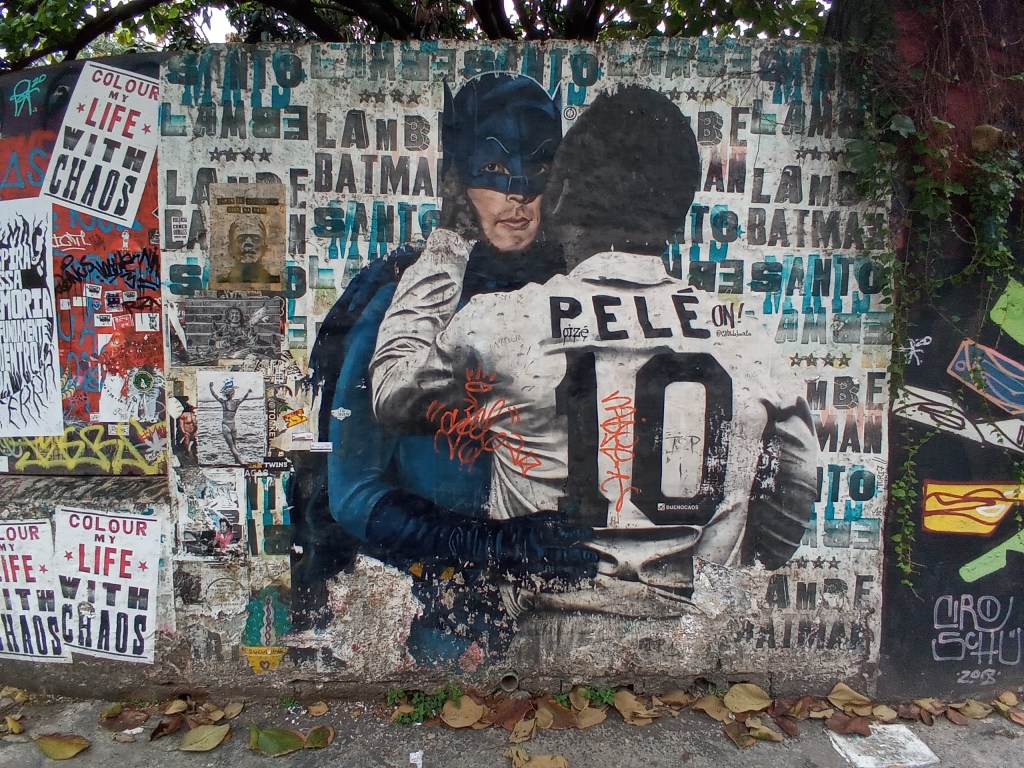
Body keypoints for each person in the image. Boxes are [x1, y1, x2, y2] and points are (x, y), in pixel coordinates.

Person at [369, 86, 818, 619]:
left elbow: (392, 394)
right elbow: (789, 509)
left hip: (544, 638)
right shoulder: (749, 340)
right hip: (692, 640)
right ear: (680, 210)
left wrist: (448, 240)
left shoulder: (501, 323)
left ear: (560, 197)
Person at [291, 73, 597, 660]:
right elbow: (353, 493)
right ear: (457, 180)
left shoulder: (577, 295)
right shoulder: (402, 299)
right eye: (494, 170)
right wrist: (488, 545)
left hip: (564, 619)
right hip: (432, 618)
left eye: (536, 168)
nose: (517, 194)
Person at [215, 216, 281, 286]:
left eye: (256, 239)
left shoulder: (276, 282)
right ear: (230, 248)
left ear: (265, 248)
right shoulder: (219, 283)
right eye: (241, 239)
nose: (248, 245)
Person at [209, 379, 252, 465]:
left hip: (226, 425)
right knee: (234, 445)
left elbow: (214, 395)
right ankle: (236, 461)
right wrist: (248, 392)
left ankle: (240, 462)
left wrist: (210, 387)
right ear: (233, 394)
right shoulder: (236, 402)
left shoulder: (223, 402)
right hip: (233, 425)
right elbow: (244, 398)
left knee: (231, 446)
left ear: (225, 394)